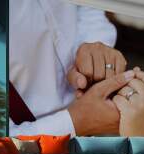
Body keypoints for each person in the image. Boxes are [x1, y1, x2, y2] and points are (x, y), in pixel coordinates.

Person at [9, 0, 128, 137]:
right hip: (34, 146)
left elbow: (88, 7)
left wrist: (93, 45)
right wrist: (73, 123)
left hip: (102, 110)